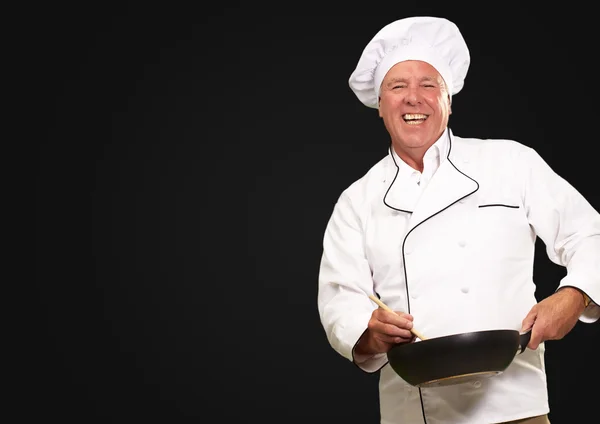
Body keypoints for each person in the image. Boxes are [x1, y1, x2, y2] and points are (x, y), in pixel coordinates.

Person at [316, 16, 599, 424]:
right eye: (397, 87)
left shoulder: (511, 162)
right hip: (413, 411)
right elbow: (340, 298)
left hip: (517, 406)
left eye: (429, 85)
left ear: (450, 100)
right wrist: (367, 331)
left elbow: (590, 234)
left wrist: (574, 294)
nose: (414, 98)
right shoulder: (356, 200)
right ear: (380, 105)